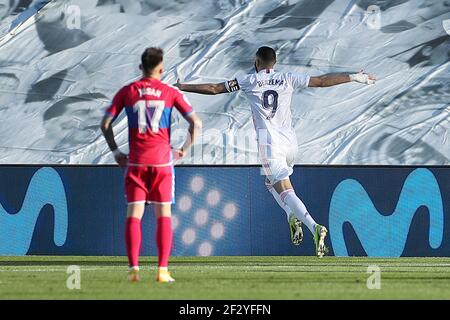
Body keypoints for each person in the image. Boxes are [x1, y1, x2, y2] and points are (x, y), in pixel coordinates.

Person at [175, 46, 376, 257]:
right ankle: (291, 216)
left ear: (256, 62)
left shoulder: (248, 80)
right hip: (291, 144)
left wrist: (183, 86)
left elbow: (215, 88)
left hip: (269, 144)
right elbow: (322, 81)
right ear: (275, 63)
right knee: (270, 182)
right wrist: (353, 77)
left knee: (285, 190)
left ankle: (314, 227)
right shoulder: (288, 77)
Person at [101, 47, 202, 282]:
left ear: (140, 68)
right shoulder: (169, 92)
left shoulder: (127, 91)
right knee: (163, 215)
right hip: (161, 163)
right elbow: (196, 123)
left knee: (134, 214)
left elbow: (106, 123)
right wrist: (183, 150)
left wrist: (116, 151)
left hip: (136, 162)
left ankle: (134, 270)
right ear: (161, 68)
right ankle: (162, 270)